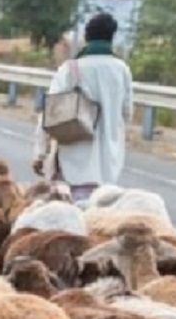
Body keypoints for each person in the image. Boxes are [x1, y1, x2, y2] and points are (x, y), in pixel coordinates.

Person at [32, 12, 134, 202]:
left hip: (73, 162)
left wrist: (40, 153)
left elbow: (49, 114)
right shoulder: (122, 70)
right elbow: (126, 113)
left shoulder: (71, 69)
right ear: (111, 37)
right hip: (108, 165)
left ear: (86, 37)